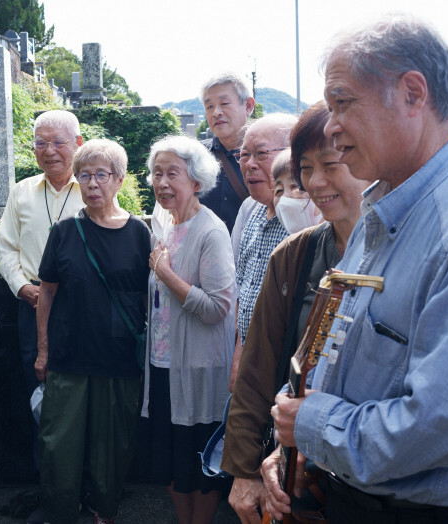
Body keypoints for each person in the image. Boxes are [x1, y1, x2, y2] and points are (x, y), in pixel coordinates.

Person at [263, 16, 448, 524]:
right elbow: (337, 358)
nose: (332, 123)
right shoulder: (384, 211)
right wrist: (300, 441)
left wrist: (314, 427)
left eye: (343, 103)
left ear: (413, 93)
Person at [223, 101, 368, 524]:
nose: (316, 182)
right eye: (305, 169)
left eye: (332, 164)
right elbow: (257, 366)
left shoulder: (396, 253)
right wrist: (245, 470)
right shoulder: (295, 253)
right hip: (293, 474)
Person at [35, 139, 151, 524]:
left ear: (119, 179)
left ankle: (105, 513)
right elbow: (47, 293)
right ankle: (60, 514)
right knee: (58, 447)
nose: (92, 183)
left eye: (101, 174)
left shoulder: (139, 233)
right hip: (69, 357)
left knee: (112, 450)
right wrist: (43, 350)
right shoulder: (65, 231)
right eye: (84, 175)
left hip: (118, 361)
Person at [142, 135, 235, 524]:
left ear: (196, 181)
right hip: (162, 364)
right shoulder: (165, 225)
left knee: (198, 461)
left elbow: (217, 308)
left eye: (173, 174)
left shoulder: (210, 231)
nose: (162, 183)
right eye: (157, 173)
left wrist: (165, 273)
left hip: (197, 368)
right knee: (168, 460)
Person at [0, 110, 85, 398]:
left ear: (78, 143)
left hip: (79, 303)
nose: (49, 152)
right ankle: (40, 444)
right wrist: (22, 287)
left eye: (59, 142)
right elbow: (7, 247)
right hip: (32, 304)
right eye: (40, 143)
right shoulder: (21, 192)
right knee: (36, 385)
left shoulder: (92, 190)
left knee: (79, 384)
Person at [229, 114, 298, 392]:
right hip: (250, 366)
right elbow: (242, 292)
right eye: (244, 155)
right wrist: (238, 359)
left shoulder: (305, 216)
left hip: (284, 373)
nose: (249, 164)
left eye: (260, 154)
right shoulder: (250, 209)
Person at [199, 73, 255, 234]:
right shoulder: (195, 158)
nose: (216, 112)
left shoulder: (269, 156)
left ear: (248, 106)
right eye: (209, 106)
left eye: (224, 103)